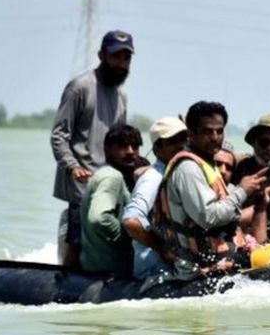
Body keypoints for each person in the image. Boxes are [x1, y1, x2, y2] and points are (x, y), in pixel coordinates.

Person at [151, 101, 266, 279]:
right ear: (191, 134)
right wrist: (242, 191)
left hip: (219, 261)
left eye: (219, 131)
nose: (215, 137)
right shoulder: (187, 168)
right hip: (200, 270)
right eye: (207, 131)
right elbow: (208, 217)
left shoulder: (206, 163)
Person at [51, 29, 134, 268]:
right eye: (116, 56)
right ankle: (66, 283)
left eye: (126, 58)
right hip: (81, 179)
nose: (121, 63)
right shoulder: (80, 87)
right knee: (76, 243)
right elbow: (59, 134)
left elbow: (121, 138)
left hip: (109, 179)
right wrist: (71, 166)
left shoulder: (122, 95)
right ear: (102, 55)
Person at [121, 116, 188, 279]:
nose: (181, 146)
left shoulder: (174, 173)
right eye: (173, 141)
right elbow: (131, 222)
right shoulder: (154, 178)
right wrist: (161, 247)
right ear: (157, 149)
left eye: (183, 140)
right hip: (154, 271)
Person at [80, 123, 146, 276]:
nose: (130, 152)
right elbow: (99, 219)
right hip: (110, 273)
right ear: (107, 150)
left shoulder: (117, 177)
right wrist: (132, 238)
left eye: (135, 146)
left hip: (99, 269)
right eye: (123, 146)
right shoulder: (112, 177)